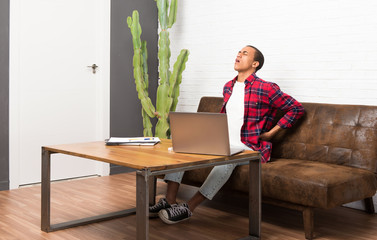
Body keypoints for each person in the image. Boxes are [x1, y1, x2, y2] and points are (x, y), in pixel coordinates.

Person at [149, 45, 305, 224]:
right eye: (238, 52)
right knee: (182, 150)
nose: (239, 54)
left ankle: (188, 208)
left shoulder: (266, 88)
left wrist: (271, 133)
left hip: (248, 146)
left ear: (255, 63)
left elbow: (296, 108)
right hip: (223, 142)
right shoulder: (228, 86)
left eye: (245, 53)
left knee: (224, 165)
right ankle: (169, 200)